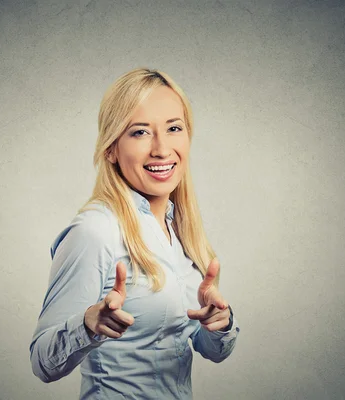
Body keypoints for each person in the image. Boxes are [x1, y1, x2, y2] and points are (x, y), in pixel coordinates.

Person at [29, 68, 240, 399]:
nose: (161, 149)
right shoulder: (94, 232)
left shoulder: (181, 230)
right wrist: (87, 327)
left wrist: (219, 323)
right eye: (140, 132)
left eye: (173, 128)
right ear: (111, 148)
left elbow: (211, 350)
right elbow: (42, 362)